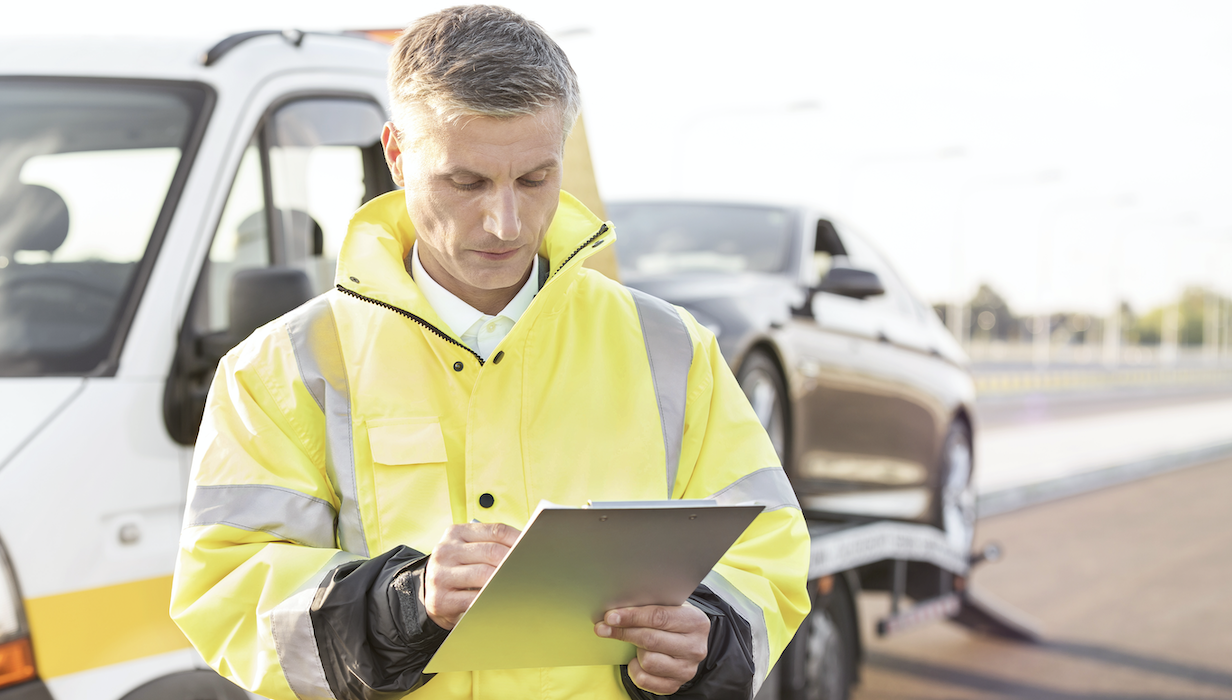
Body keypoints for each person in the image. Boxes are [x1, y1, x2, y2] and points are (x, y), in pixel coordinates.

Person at [170, 6, 810, 699]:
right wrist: (404, 604)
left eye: (535, 179)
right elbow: (227, 596)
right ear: (396, 155)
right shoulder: (281, 367)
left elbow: (767, 556)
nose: (505, 223)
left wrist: (709, 639)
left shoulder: (670, 347)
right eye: (466, 182)